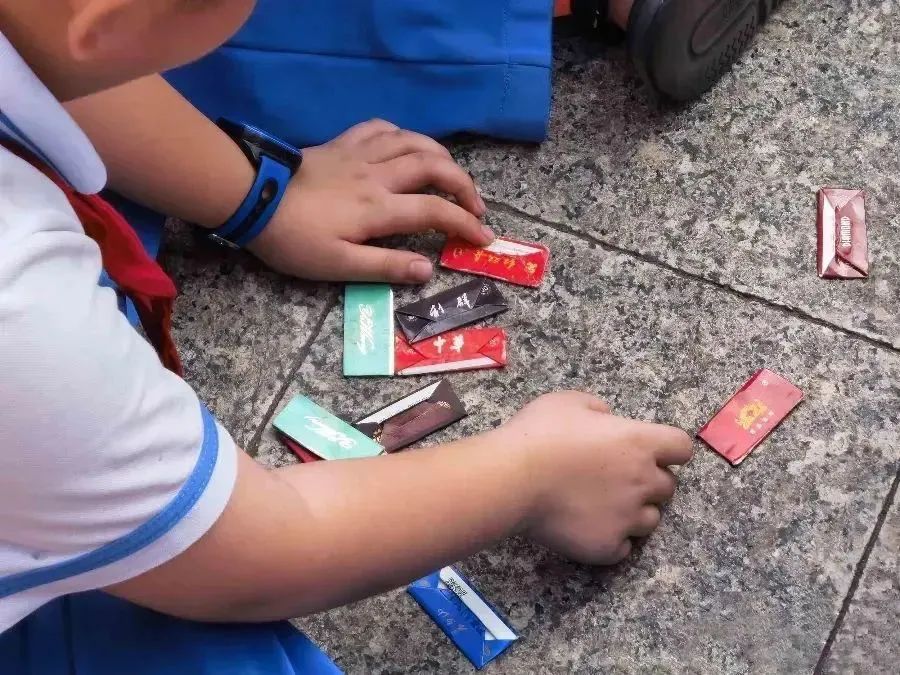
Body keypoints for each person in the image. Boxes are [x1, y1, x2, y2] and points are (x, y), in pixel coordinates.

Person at [0, 1, 693, 673]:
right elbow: (253, 551)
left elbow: (54, 46)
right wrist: (532, 474)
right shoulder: (27, 319)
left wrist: (260, 196)